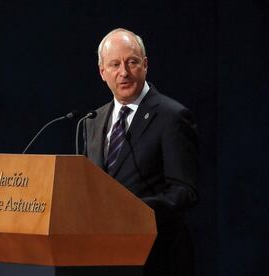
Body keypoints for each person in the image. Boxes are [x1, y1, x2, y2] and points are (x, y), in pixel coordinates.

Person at [85, 28, 199, 276]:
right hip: (103, 258)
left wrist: (132, 212)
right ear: (102, 72)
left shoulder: (172, 117)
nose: (123, 72)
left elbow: (184, 191)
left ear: (145, 65)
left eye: (132, 62)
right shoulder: (92, 121)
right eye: (114, 64)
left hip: (157, 257)